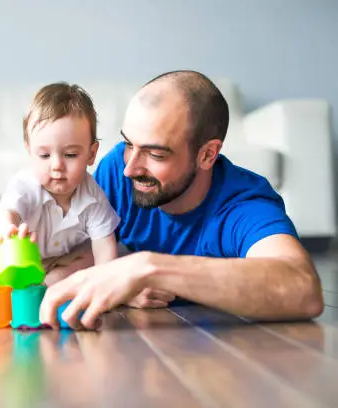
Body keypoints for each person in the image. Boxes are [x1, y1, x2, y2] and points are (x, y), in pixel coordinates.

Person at [39, 70, 324, 329]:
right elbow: (78, 254)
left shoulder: (242, 204)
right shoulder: (117, 169)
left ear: (207, 155)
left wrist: (146, 270)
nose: (130, 168)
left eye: (156, 154)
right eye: (128, 144)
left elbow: (303, 289)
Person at [0, 82, 120, 285]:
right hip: (17, 258)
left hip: (62, 259)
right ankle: (42, 284)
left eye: (70, 154)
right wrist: (7, 229)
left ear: (91, 154)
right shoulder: (26, 185)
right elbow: (7, 213)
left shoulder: (93, 196)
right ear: (30, 151)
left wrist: (108, 286)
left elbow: (105, 249)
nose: (57, 165)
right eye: (45, 155)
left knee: (95, 256)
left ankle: (54, 281)